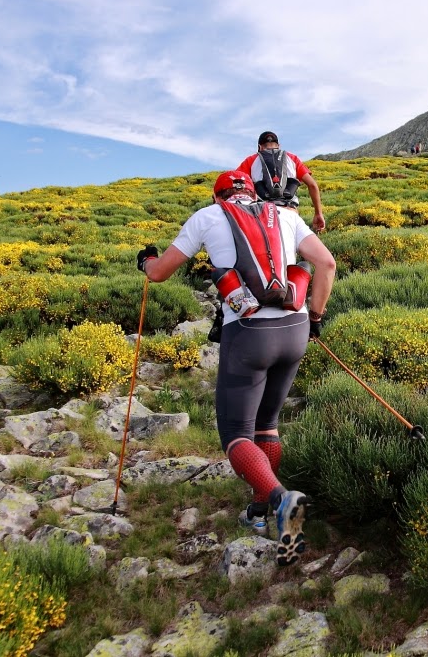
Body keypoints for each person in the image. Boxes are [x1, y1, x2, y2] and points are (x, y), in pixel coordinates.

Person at [136, 170, 336, 566]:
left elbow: (159, 274)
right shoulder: (285, 214)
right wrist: (315, 318)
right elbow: (326, 264)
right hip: (294, 330)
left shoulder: (208, 216)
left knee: (236, 435)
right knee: (267, 424)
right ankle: (258, 513)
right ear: (252, 192)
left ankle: (281, 500)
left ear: (218, 197)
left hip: (248, 334)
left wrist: (146, 261)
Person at [238, 131, 326, 233]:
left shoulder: (251, 160)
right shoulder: (292, 158)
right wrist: (318, 213)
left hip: (263, 213)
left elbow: (234, 184)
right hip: (290, 212)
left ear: (259, 147)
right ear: (278, 146)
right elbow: (312, 185)